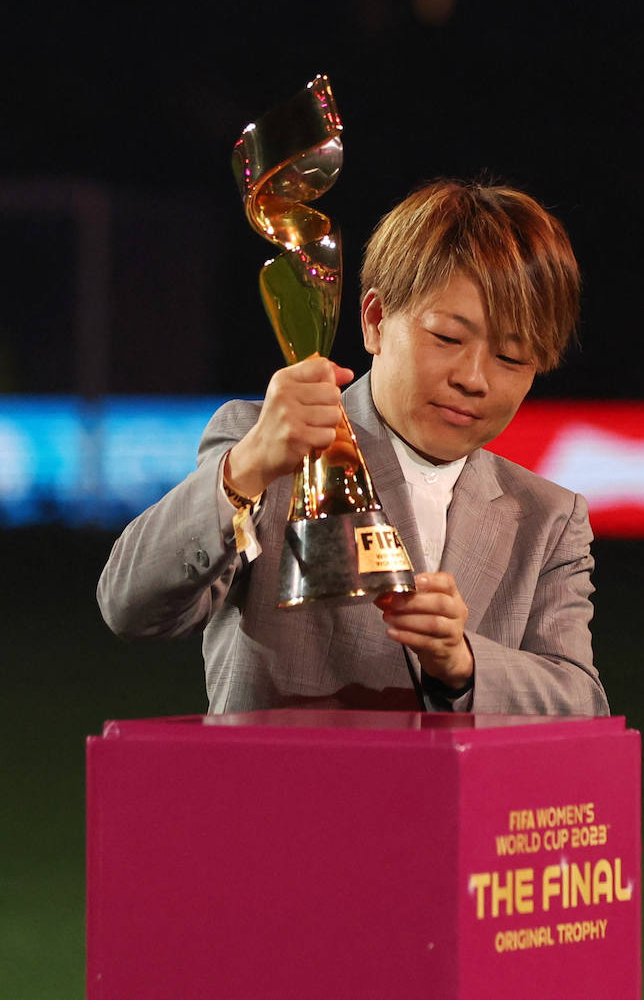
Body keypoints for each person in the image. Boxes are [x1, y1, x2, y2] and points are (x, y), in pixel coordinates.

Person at [97, 179, 608, 716]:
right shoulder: (268, 449)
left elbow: (581, 701)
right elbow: (132, 609)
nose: (474, 378)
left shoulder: (549, 517)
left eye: (512, 357)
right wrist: (244, 468)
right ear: (375, 321)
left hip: (450, 803)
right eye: (448, 339)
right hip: (279, 796)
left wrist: (462, 664)